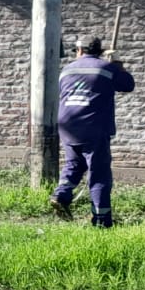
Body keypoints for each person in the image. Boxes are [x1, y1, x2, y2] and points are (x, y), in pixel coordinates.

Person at [49, 34, 135, 227]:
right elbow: (128, 85)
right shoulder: (107, 68)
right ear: (100, 51)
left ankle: (61, 195)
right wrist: (118, 64)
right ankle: (101, 220)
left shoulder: (67, 70)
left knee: (75, 164)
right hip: (94, 128)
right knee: (99, 174)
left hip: (68, 126)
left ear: (79, 51)